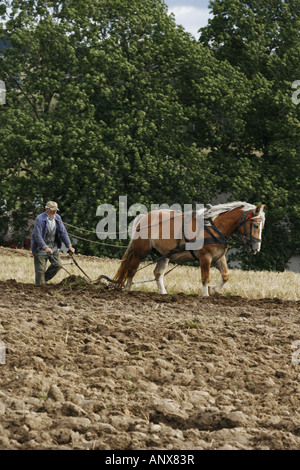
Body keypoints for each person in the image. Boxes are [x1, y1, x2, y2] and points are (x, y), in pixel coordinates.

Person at [31, 201, 75, 285]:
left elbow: (63, 232)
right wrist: (45, 247)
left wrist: (69, 246)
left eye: (56, 210)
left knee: (58, 265)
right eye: (52, 210)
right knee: (40, 271)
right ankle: (40, 286)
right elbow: (37, 236)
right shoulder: (40, 219)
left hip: (53, 246)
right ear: (47, 209)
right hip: (41, 248)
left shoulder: (57, 218)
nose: (54, 212)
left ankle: (43, 281)